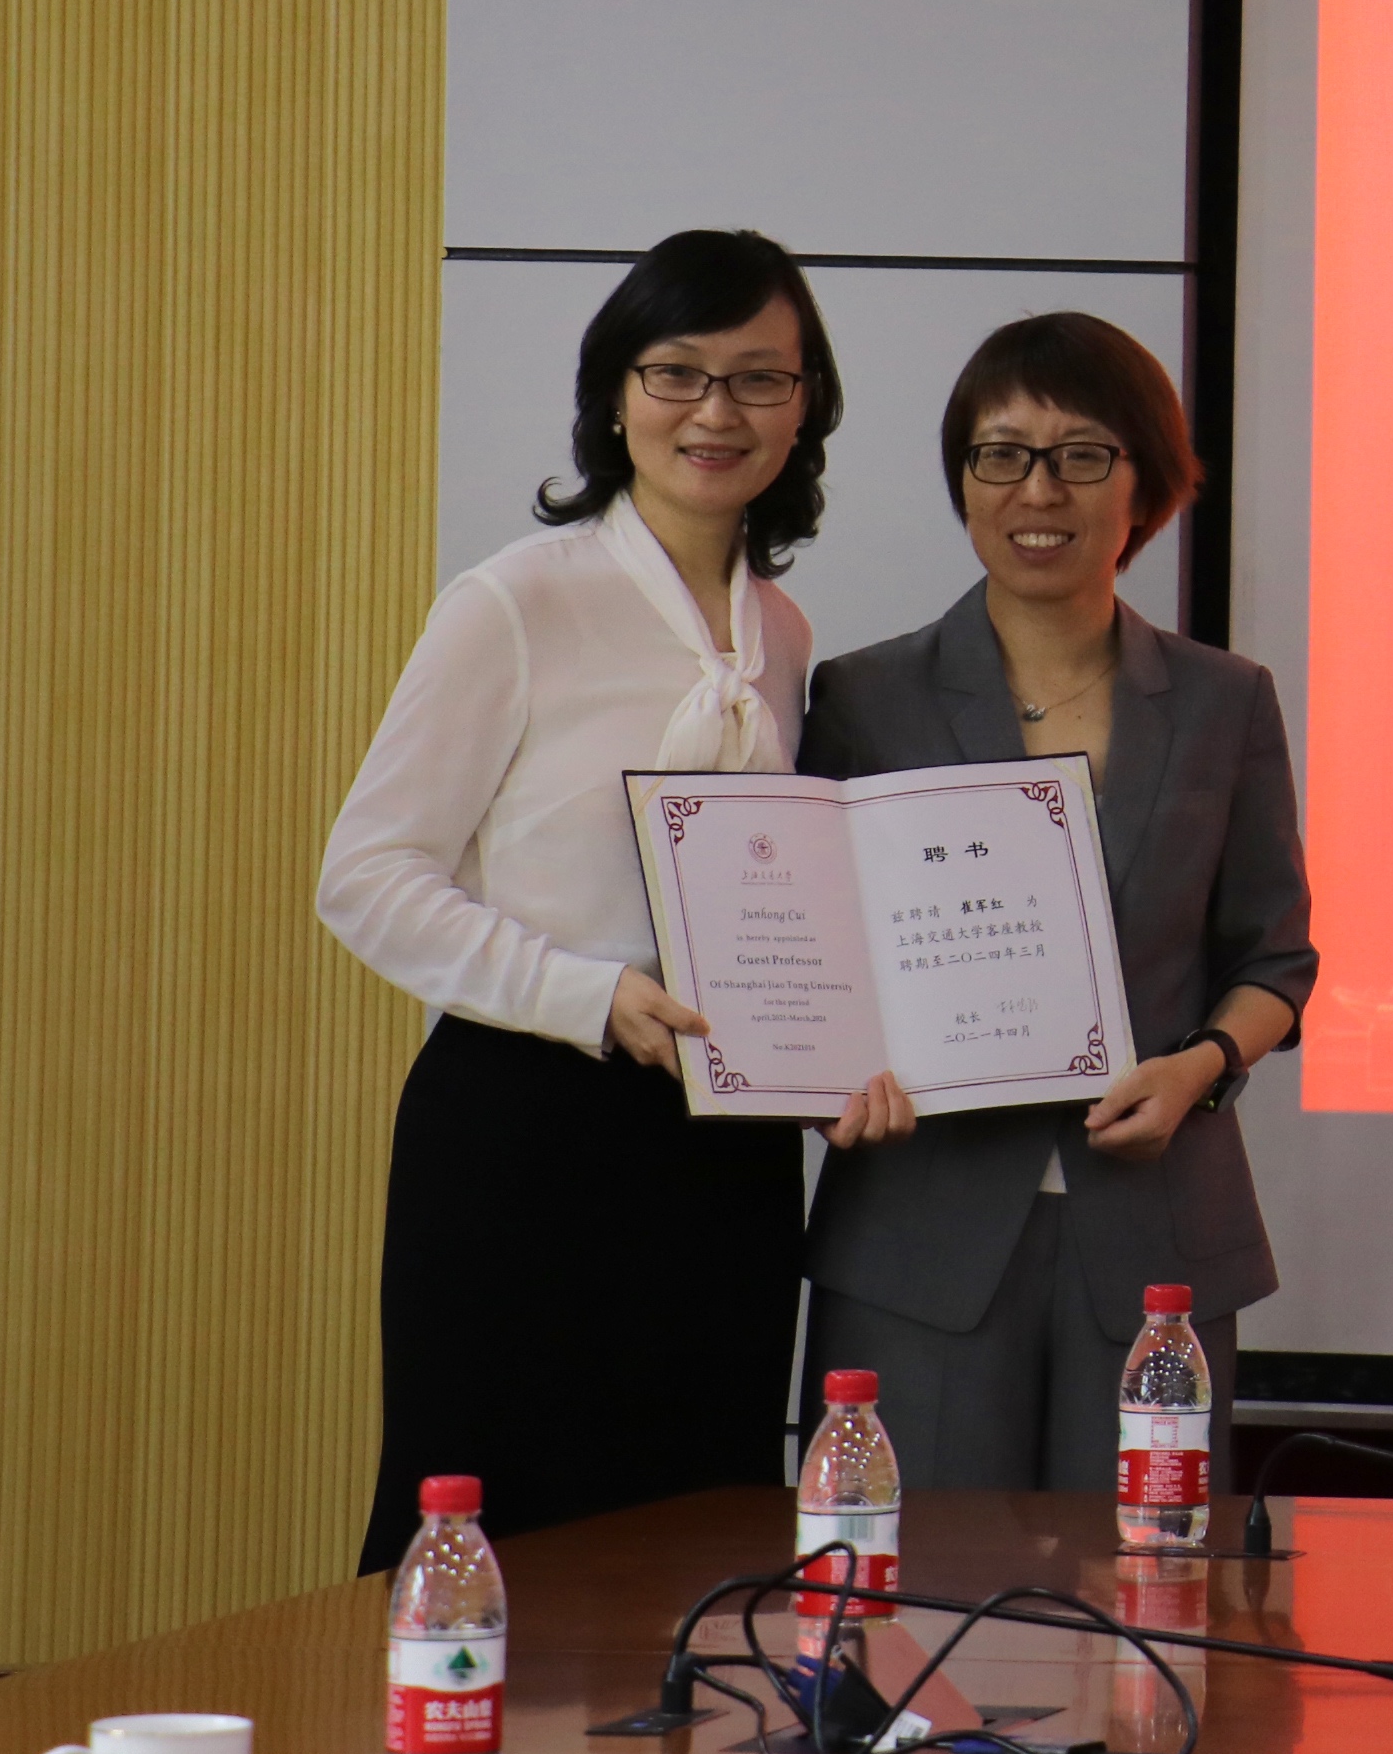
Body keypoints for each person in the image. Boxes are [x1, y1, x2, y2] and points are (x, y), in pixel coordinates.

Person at [320, 228, 886, 1567]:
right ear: (615, 394)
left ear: (804, 407)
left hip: (723, 1153)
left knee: (695, 1534)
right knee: (498, 1531)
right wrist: (590, 997)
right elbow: (368, 876)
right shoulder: (515, 602)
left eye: (759, 378)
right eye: (676, 372)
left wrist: (832, 1056)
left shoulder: (783, 634)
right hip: (527, 1127)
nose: (716, 412)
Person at [798, 313, 1316, 1488]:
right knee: (912, 1579)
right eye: (1002, 453)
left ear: (1145, 484)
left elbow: (1275, 960)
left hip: (1156, 1228)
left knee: (1141, 1580)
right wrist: (825, 1076)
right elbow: (812, 952)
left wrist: (1198, 1068)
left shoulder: (1226, 701)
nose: (1039, 489)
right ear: (964, 478)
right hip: (920, 1229)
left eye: (1082, 454)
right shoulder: (866, 698)